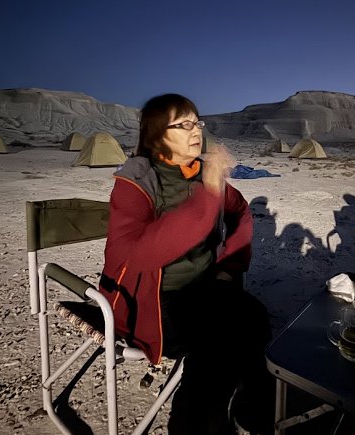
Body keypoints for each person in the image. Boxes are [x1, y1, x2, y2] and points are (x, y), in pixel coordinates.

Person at [99, 93, 274, 434]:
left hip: (203, 289)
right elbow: (135, 256)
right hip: (151, 302)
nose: (196, 130)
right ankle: (193, 425)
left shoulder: (199, 174)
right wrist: (207, 197)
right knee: (218, 341)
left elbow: (240, 211)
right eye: (184, 124)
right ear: (156, 136)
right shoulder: (135, 183)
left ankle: (253, 412)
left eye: (197, 122)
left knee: (254, 316)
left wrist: (229, 267)